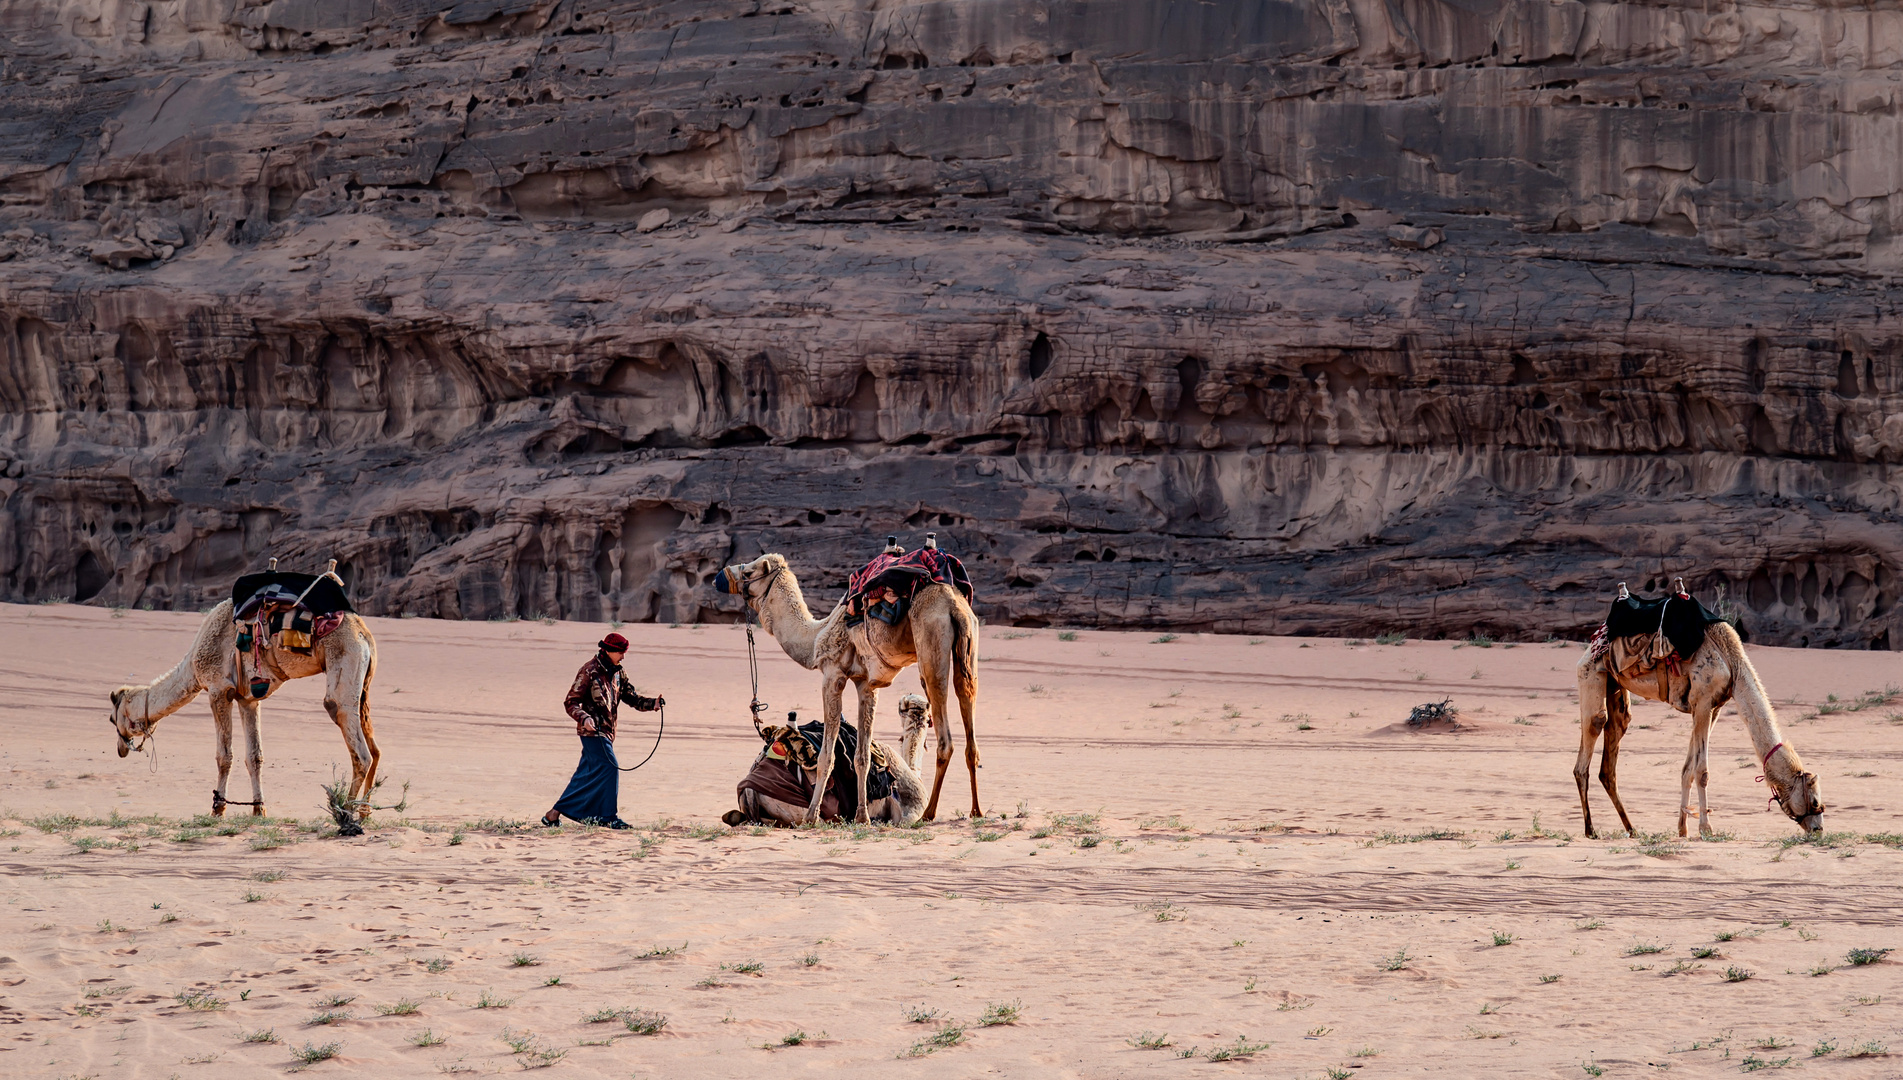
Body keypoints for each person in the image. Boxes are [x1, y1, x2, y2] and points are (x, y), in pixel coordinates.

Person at [543, 632, 663, 828]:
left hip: (607, 732)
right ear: (609, 650)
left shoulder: (618, 672)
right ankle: (608, 817)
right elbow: (570, 702)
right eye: (621, 652)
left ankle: (552, 815)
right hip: (592, 732)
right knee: (610, 769)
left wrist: (653, 704)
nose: (623, 656)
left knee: (585, 775)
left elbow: (631, 697)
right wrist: (585, 717)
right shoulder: (589, 670)